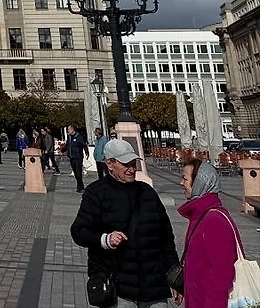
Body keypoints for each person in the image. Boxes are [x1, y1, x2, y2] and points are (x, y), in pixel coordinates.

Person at [71, 137, 178, 308]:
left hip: (154, 285)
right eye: (126, 164)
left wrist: (175, 276)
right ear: (110, 164)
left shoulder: (147, 192)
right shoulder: (96, 192)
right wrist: (105, 239)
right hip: (118, 287)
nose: (131, 169)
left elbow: (166, 237)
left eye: (133, 163)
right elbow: (79, 231)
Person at [176, 158, 246, 308]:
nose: (181, 183)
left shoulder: (213, 220)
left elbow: (222, 275)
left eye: (185, 179)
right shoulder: (201, 214)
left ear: (199, 183)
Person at [66, 125, 87, 192]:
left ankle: (81, 187)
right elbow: (67, 145)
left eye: (69, 129)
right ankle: (79, 185)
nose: (68, 131)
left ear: (72, 129)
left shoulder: (79, 136)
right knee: (75, 172)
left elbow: (84, 144)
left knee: (78, 172)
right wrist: (62, 150)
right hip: (72, 157)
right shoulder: (69, 137)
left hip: (78, 157)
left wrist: (86, 152)